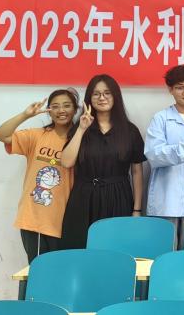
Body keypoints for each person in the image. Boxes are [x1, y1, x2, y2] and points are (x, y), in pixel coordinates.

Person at [60, 74, 145, 249]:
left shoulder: (130, 131)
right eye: (96, 94)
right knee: (81, 248)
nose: (102, 98)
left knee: (116, 249)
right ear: (89, 98)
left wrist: (137, 209)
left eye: (107, 93)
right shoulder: (79, 128)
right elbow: (66, 162)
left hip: (118, 196)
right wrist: (81, 129)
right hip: (84, 198)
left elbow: (137, 172)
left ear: (115, 96)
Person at [0, 88, 79, 262]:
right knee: (40, 270)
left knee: (63, 271)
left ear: (75, 109)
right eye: (55, 106)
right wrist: (25, 115)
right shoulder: (37, 136)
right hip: (37, 219)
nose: (61, 110)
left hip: (69, 219)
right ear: (49, 110)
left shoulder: (81, 138)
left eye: (66, 105)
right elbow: (0, 134)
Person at [144, 64, 184, 249]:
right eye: (180, 87)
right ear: (170, 89)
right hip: (165, 204)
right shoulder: (161, 119)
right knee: (163, 257)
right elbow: (154, 155)